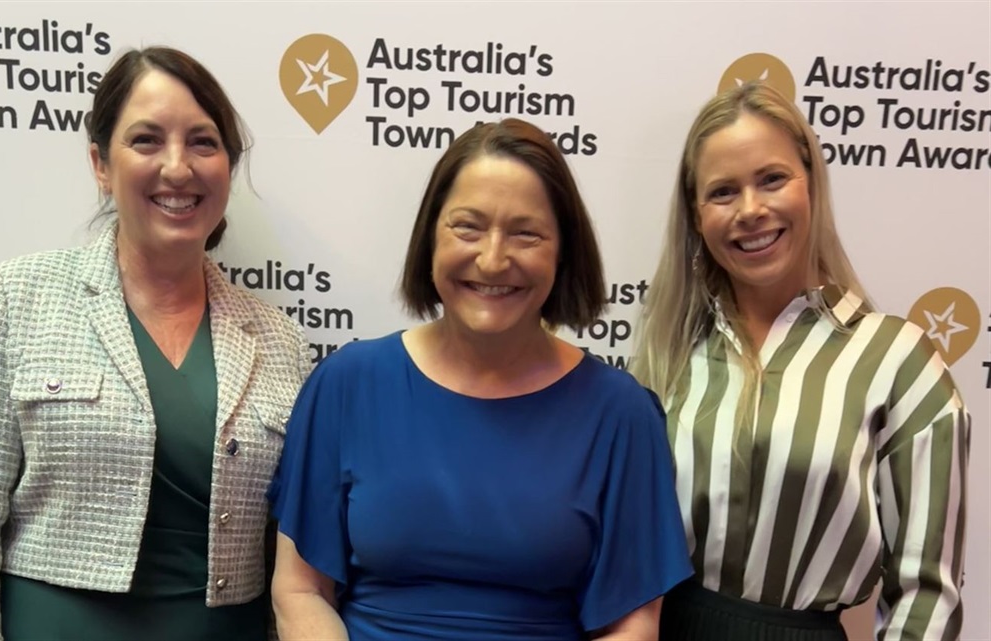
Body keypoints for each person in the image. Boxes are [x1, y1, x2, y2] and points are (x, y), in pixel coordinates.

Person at [0, 46, 310, 641]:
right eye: (147, 140)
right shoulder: (17, 297)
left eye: (203, 143)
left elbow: (289, 552)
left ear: (228, 168)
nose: (177, 168)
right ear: (101, 163)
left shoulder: (280, 340)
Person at [267, 117, 693, 641]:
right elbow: (300, 591)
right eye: (467, 226)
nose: (493, 259)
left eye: (526, 233)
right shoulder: (345, 386)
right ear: (430, 238)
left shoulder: (621, 414)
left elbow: (631, 625)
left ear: (563, 252)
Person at [629, 81, 970, 641]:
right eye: (722, 192)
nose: (751, 210)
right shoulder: (670, 351)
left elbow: (927, 596)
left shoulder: (898, 363)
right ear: (695, 216)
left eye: (771, 179)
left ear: (811, 184)